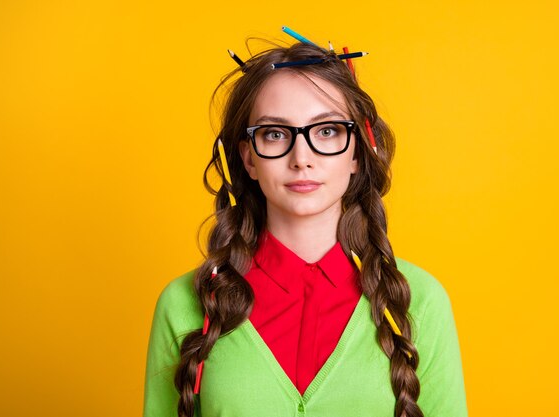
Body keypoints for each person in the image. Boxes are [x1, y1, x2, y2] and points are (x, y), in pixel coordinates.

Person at [144, 41, 467, 417]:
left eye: (327, 131)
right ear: (248, 157)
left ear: (357, 152)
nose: (302, 159)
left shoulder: (419, 302)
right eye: (275, 134)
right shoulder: (184, 305)